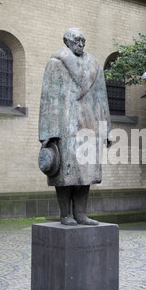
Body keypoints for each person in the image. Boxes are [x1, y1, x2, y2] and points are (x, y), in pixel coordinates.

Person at [38, 28, 112, 226]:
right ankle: (65, 215)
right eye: (77, 40)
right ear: (66, 41)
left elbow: (102, 99)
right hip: (65, 126)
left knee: (85, 175)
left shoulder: (94, 65)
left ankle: (81, 214)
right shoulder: (56, 63)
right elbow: (48, 98)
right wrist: (48, 132)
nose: (81, 44)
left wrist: (107, 130)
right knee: (65, 174)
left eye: (83, 41)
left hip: (90, 126)